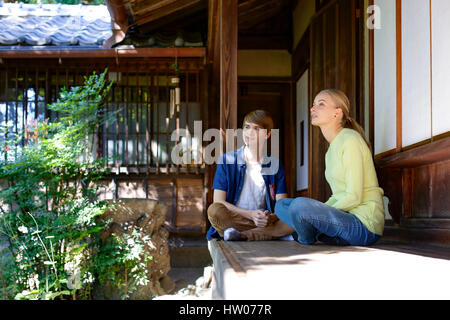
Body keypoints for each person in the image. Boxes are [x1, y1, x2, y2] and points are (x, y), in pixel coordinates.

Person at [224, 89, 385, 246]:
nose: (312, 108)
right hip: (342, 224)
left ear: (337, 113)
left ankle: (305, 235)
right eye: (313, 104)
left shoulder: (350, 140)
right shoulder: (331, 149)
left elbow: (354, 197)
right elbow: (338, 196)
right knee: (282, 206)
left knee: (300, 206)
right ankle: (252, 235)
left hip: (363, 226)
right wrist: (316, 213)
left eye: (321, 104)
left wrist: (315, 212)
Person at [206, 110, 289, 241]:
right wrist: (250, 215)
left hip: (262, 222)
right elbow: (219, 201)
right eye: (247, 127)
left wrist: (269, 217)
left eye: (256, 128)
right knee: (214, 211)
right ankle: (262, 233)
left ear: (267, 134)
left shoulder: (275, 164)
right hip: (235, 219)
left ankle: (243, 235)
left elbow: (282, 204)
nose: (250, 132)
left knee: (296, 215)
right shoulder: (227, 160)